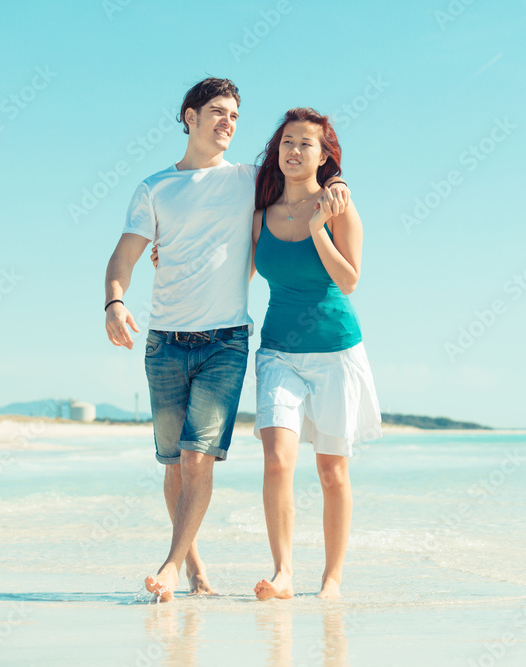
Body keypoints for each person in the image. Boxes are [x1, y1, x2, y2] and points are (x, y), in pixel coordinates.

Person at [103, 79, 350, 603]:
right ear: (188, 117)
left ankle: (168, 566)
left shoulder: (247, 180)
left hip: (227, 342)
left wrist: (335, 187)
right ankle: (192, 569)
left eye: (235, 115)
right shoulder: (154, 188)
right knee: (173, 463)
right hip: (164, 341)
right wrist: (115, 302)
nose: (228, 122)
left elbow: (303, 173)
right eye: (217, 112)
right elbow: (123, 255)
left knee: (197, 457)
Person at [249, 108, 382, 600]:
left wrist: (320, 227)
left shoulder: (341, 207)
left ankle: (331, 579)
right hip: (278, 352)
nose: (293, 150)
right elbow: (230, 273)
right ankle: (284, 573)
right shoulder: (259, 217)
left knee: (332, 471)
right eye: (287, 141)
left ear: (324, 155)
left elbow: (348, 280)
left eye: (306, 143)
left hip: (335, 352)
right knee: (277, 459)